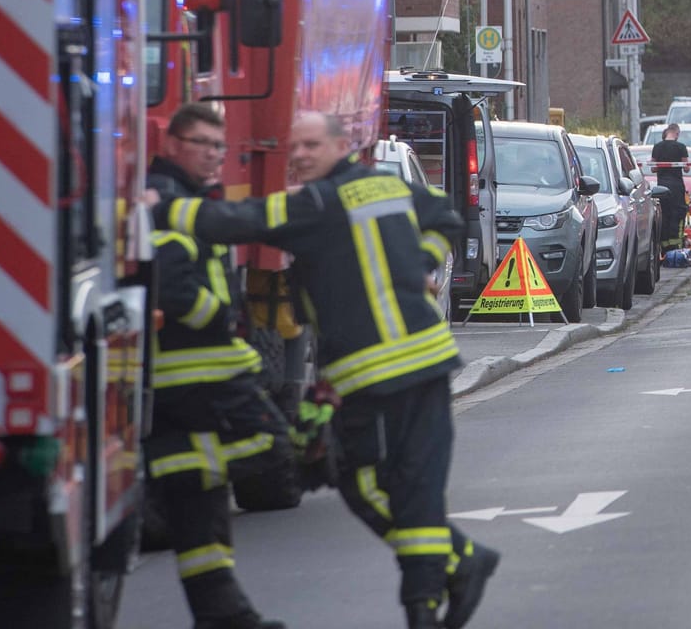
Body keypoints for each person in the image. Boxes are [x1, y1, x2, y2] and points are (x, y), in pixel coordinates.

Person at [153, 112, 495, 629]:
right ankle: (442, 583)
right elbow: (446, 217)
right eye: (295, 147)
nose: (300, 155)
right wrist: (420, 263)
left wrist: (153, 209)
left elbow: (233, 222)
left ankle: (437, 588)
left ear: (342, 145)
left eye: (312, 145)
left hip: (377, 372)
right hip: (423, 358)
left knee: (370, 483)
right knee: (412, 486)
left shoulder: (314, 203)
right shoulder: (386, 184)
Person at [146, 104, 288, 629]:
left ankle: (227, 618)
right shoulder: (167, 199)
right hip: (198, 372)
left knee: (197, 507)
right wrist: (218, 319)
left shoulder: (182, 197)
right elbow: (170, 279)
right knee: (274, 447)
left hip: (178, 379)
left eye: (219, 146)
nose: (213, 154)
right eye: (202, 143)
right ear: (173, 144)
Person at [649, 124, 691, 256]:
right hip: (677, 187)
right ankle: (676, 249)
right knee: (678, 215)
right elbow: (686, 168)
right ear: (677, 134)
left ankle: (663, 249)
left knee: (664, 215)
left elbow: (653, 168)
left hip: (661, 188)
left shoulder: (657, 147)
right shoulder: (681, 147)